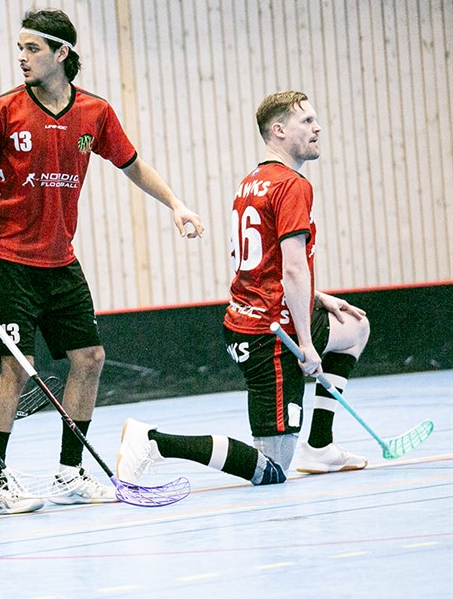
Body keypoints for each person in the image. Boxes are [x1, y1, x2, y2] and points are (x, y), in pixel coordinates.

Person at [0, 8, 205, 511]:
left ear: (61, 53)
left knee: (90, 358)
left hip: (59, 258)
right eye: (20, 49)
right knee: (17, 368)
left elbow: (133, 165)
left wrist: (176, 204)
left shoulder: (95, 112)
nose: (22, 58)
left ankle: (70, 473)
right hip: (4, 255)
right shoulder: (3, 111)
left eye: (32, 49)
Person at [116, 92, 370, 485]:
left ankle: (320, 446)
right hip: (274, 334)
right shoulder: (292, 185)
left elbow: (263, 261)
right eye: (306, 121)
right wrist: (306, 344)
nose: (317, 128)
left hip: (248, 319)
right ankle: (154, 442)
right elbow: (293, 268)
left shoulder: (252, 182)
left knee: (354, 326)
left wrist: (318, 297)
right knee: (272, 469)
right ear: (278, 130)